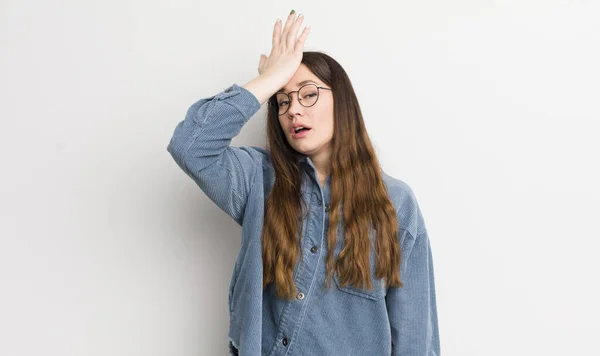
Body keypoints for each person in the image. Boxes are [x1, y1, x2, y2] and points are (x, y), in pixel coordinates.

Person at [167, 9, 440, 356]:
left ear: (341, 102)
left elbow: (416, 338)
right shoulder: (259, 179)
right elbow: (190, 146)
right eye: (283, 101)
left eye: (308, 94)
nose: (294, 110)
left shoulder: (396, 203)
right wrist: (269, 79)